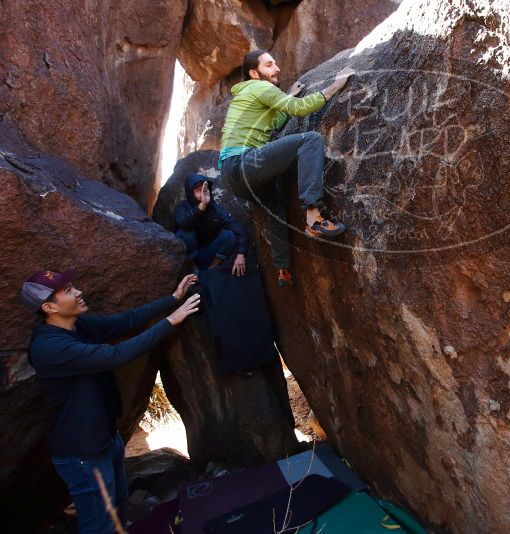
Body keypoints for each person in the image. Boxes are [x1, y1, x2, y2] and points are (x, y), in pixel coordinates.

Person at [22, 268, 200, 533]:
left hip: (105, 439)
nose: (79, 292)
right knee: (99, 525)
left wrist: (172, 298)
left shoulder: (77, 325)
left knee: (117, 506)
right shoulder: (49, 347)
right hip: (82, 453)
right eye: (69, 291)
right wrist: (171, 321)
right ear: (49, 307)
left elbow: (124, 320)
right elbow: (115, 355)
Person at [218, 49, 354, 286]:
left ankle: (282, 269)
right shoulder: (260, 87)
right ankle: (314, 216)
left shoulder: (249, 94)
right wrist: (335, 86)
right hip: (244, 163)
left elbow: (277, 121)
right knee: (310, 139)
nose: (277, 68)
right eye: (269, 65)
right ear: (254, 72)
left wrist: (288, 95)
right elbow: (299, 109)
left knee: (275, 208)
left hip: (233, 176)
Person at [174, 173, 248, 276]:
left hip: (207, 253)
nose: (203, 193)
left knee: (229, 236)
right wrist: (201, 206)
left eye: (205, 190)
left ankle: (209, 271)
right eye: (199, 191)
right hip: (188, 257)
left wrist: (241, 253)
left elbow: (237, 228)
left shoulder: (216, 208)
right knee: (185, 232)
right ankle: (192, 270)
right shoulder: (183, 207)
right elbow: (183, 223)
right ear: (191, 193)